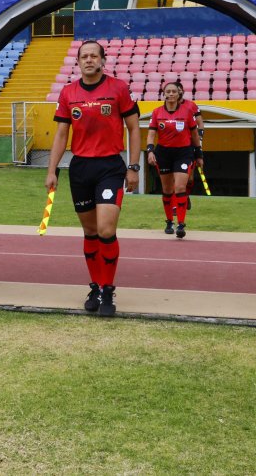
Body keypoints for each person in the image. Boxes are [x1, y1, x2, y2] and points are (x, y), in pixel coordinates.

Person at [45, 40, 140, 317]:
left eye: (93, 56)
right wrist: (51, 170)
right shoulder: (68, 92)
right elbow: (62, 134)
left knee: (106, 230)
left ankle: (108, 289)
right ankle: (96, 286)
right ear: (78, 62)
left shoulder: (119, 88)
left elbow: (134, 129)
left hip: (110, 167)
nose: (89, 60)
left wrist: (133, 167)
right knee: (90, 232)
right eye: (84, 56)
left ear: (102, 60)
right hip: (80, 168)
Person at [145, 80, 202, 238]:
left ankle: (181, 224)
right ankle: (169, 221)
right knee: (167, 190)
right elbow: (151, 134)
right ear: (164, 94)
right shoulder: (157, 112)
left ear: (179, 94)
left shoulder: (187, 112)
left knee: (180, 187)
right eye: (168, 91)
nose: (170, 94)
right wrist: (150, 151)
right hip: (163, 153)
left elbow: (194, 135)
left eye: (174, 92)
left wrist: (199, 154)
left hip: (183, 153)